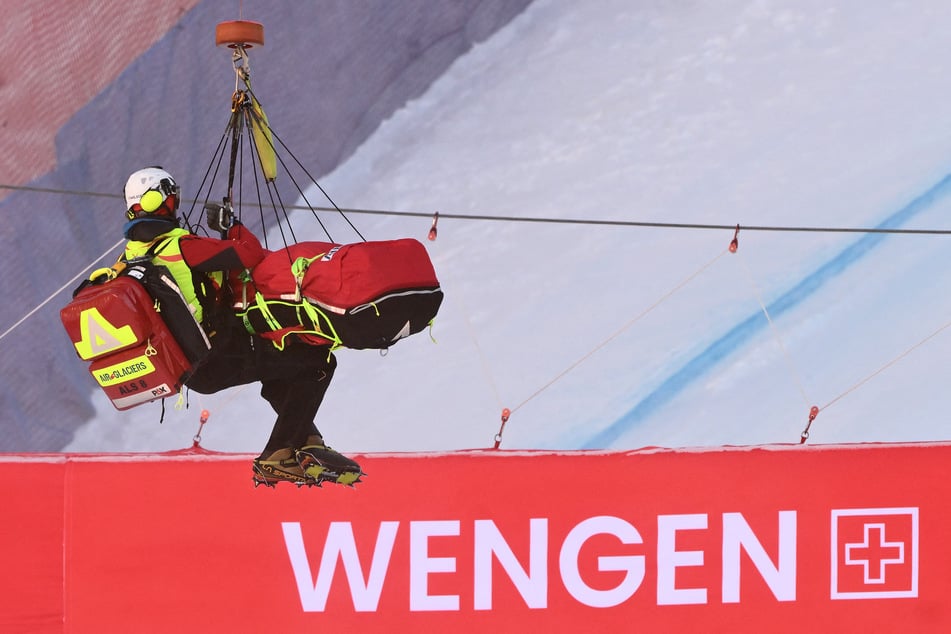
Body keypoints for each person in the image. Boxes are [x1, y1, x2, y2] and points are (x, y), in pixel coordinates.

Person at [121, 166, 362, 487]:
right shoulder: (182, 247)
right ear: (162, 200)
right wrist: (232, 226)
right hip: (221, 354)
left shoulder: (129, 260)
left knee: (279, 369)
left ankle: (306, 443)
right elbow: (249, 255)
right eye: (172, 196)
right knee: (319, 360)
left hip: (192, 368)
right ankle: (279, 453)